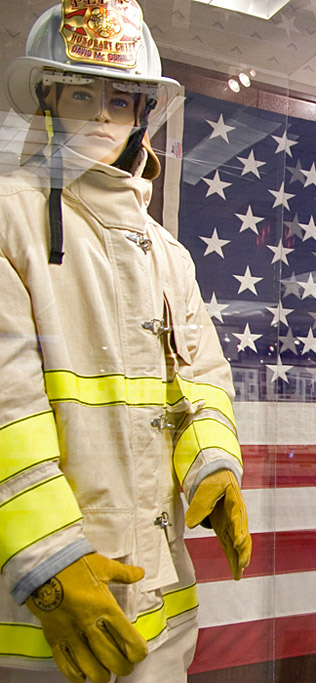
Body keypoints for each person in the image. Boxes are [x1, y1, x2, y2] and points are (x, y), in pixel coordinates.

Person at [0, 1, 251, 682]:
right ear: (47, 99)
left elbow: (200, 378)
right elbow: (6, 404)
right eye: (81, 93)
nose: (103, 115)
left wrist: (214, 466)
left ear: (142, 112)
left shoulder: (167, 253)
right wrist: (45, 559)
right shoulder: (9, 219)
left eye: (120, 97)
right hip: (40, 621)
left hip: (160, 612)